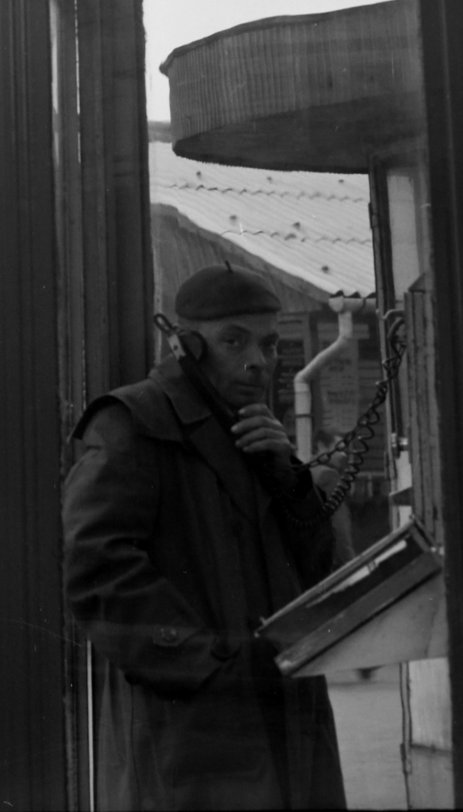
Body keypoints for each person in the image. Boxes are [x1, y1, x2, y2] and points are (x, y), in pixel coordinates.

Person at [62, 266, 346, 810]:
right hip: (193, 719)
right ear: (187, 346)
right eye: (234, 341)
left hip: (282, 710)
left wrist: (288, 475)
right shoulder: (132, 422)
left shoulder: (257, 433)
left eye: (268, 343)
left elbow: (313, 570)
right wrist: (206, 664)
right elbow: (96, 566)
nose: (258, 361)